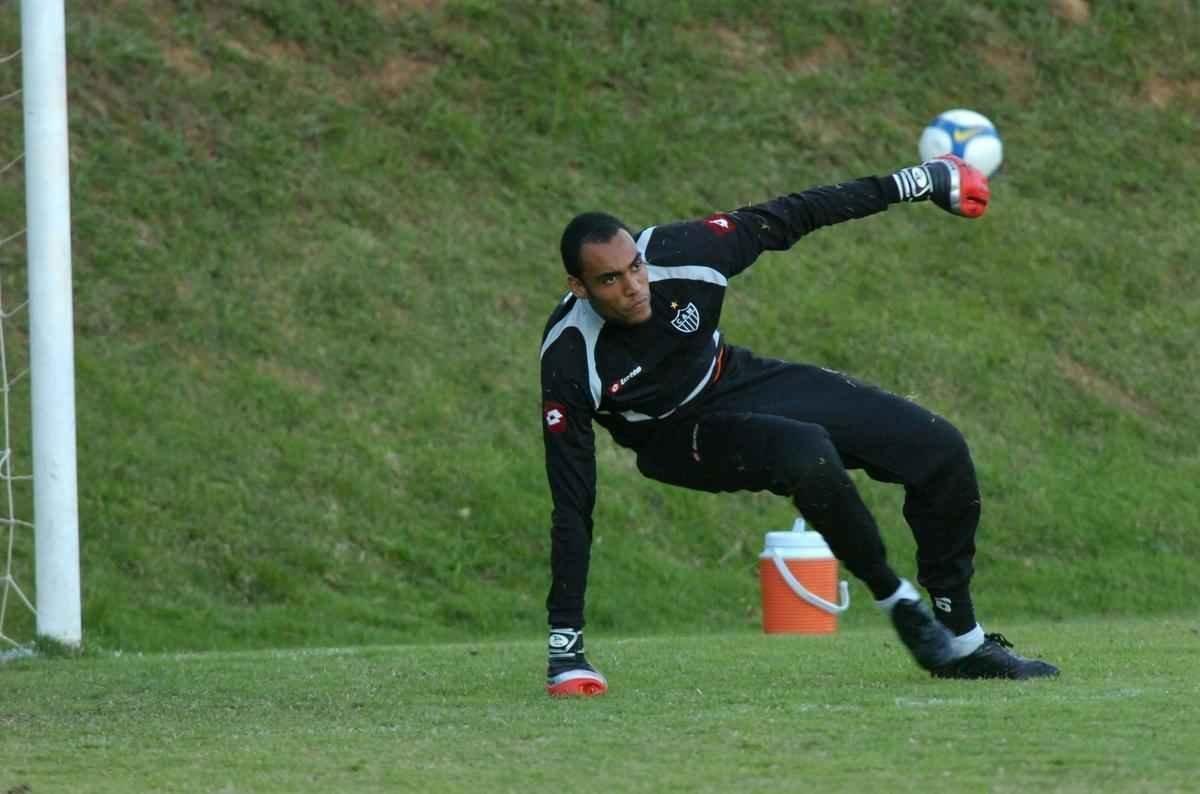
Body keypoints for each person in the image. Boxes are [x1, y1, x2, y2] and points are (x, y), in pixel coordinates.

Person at [539, 154, 1059, 697]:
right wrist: (565, 651)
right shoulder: (570, 360)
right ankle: (895, 598)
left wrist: (915, 181)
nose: (633, 286)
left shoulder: (686, 252)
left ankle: (961, 641)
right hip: (671, 437)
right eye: (610, 279)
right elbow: (572, 502)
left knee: (939, 448)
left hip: (732, 377)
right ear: (578, 287)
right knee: (803, 450)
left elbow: (796, 213)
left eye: (635, 267)